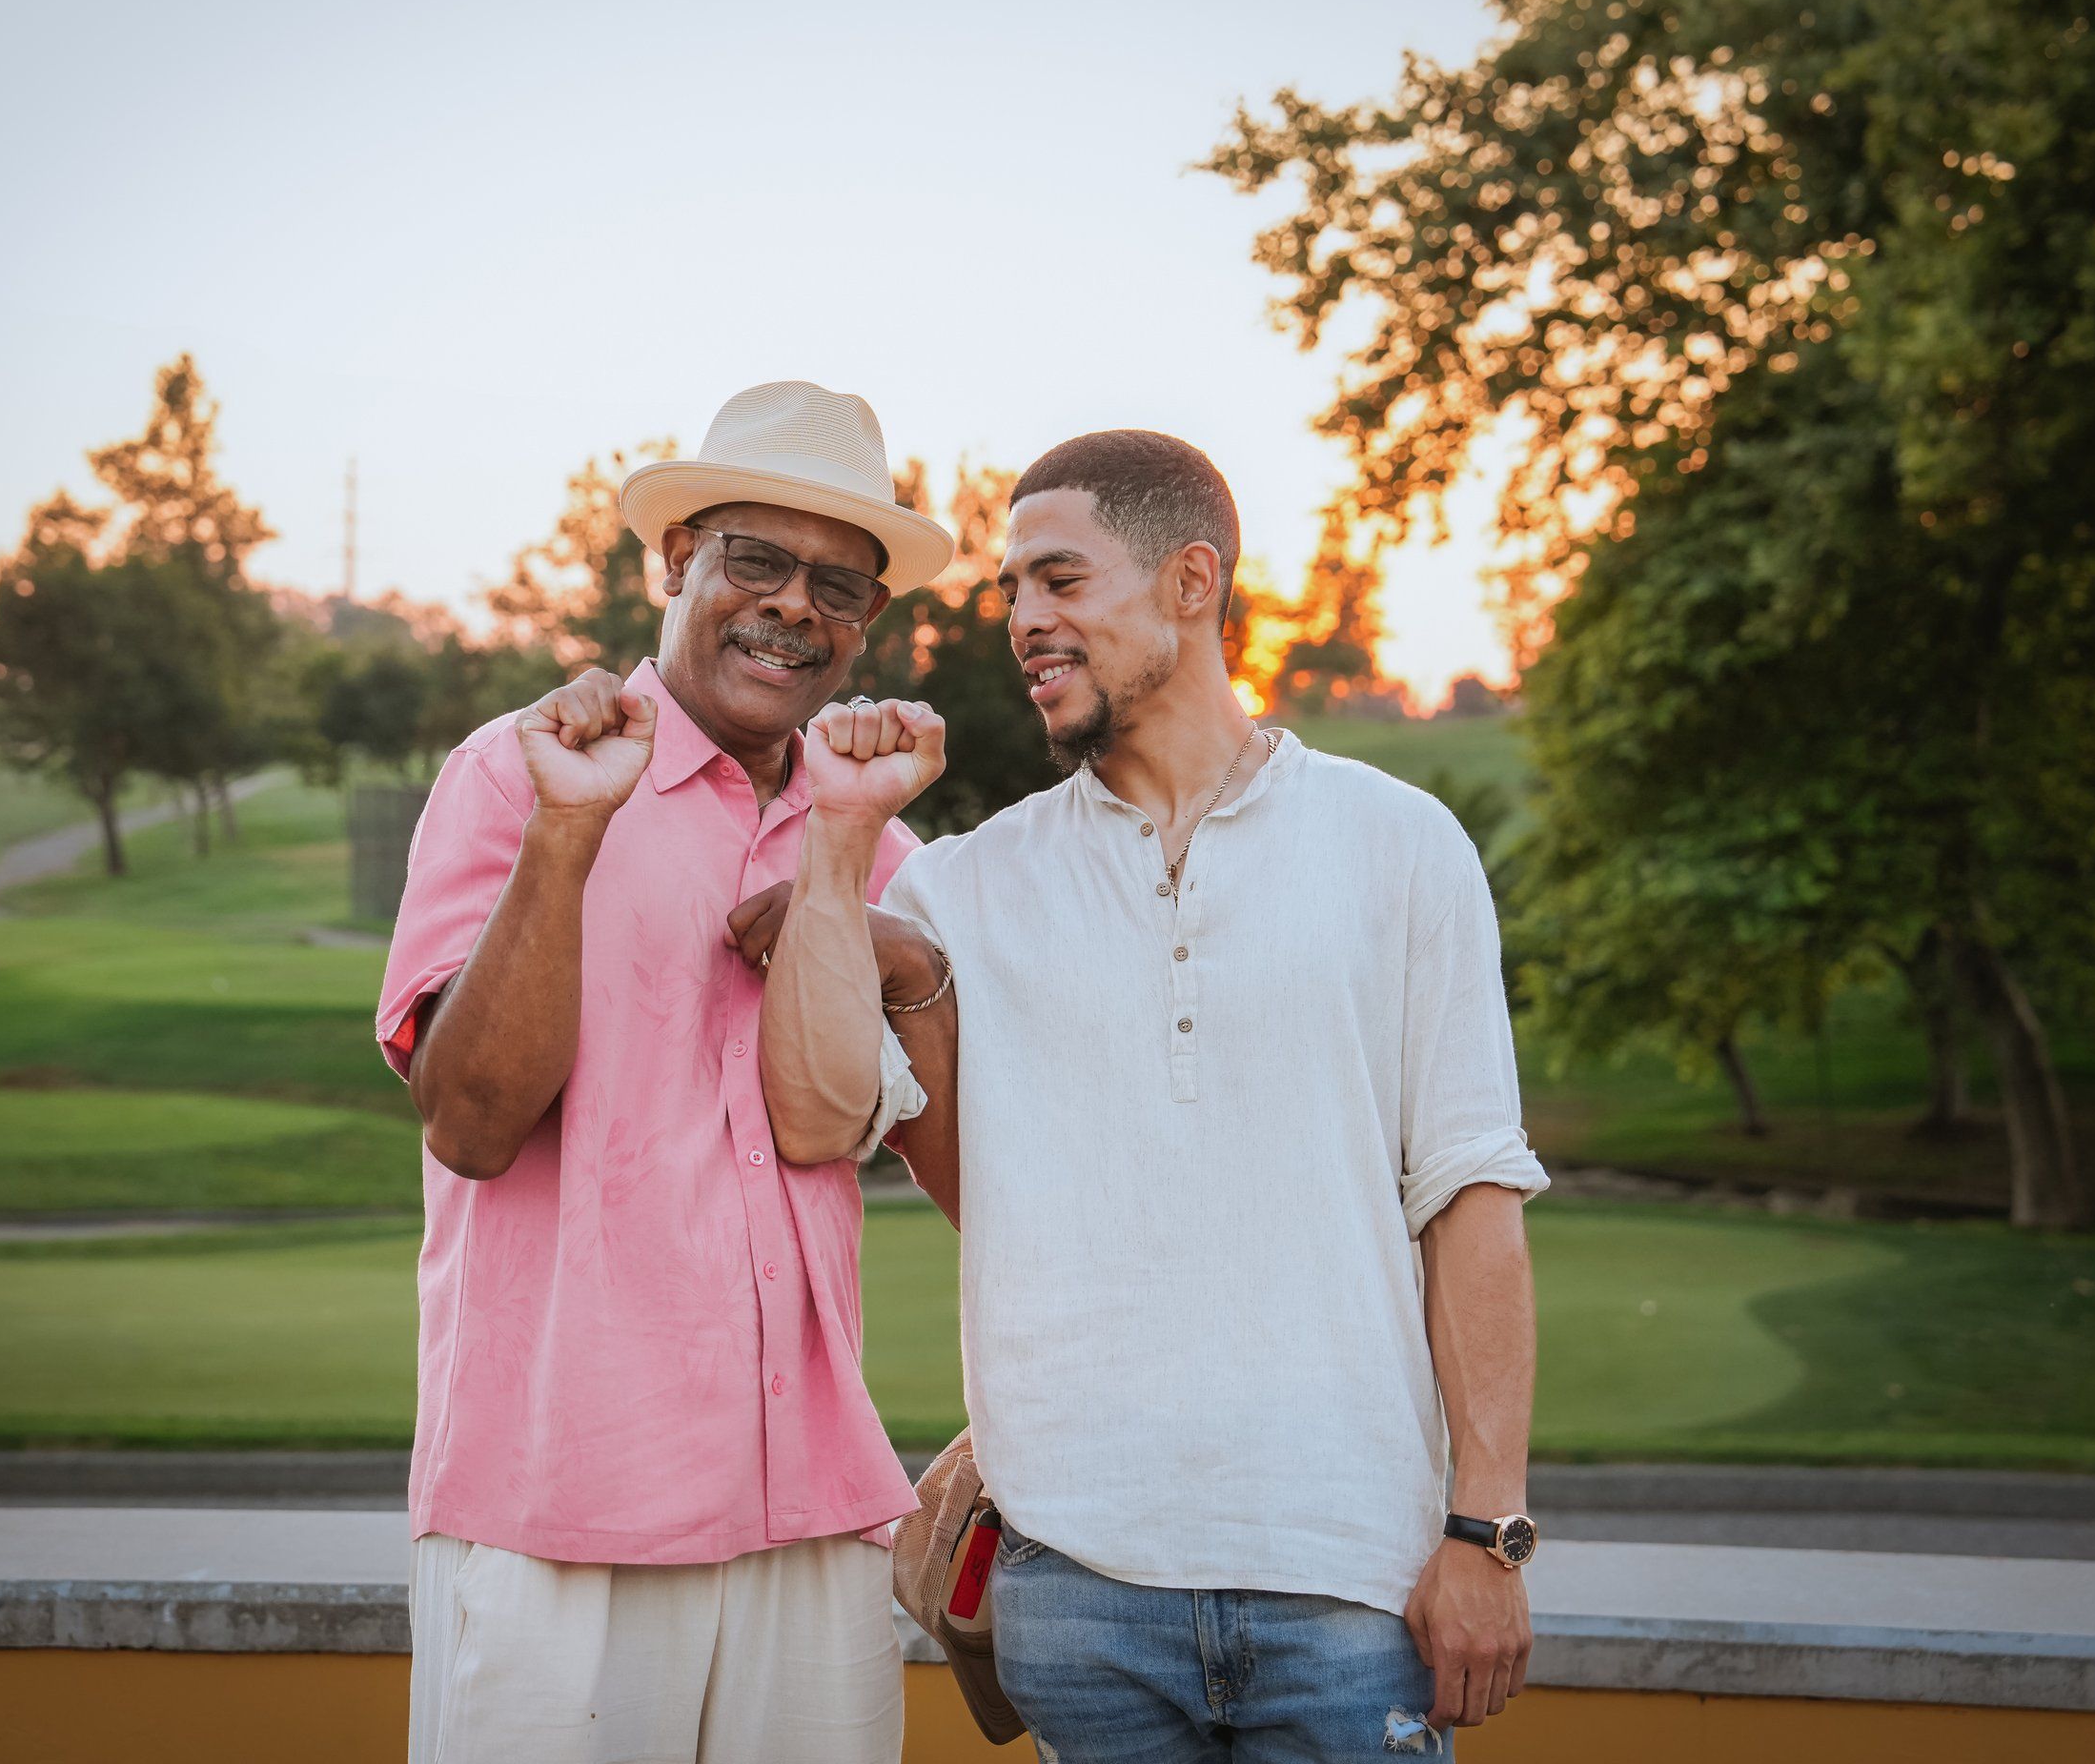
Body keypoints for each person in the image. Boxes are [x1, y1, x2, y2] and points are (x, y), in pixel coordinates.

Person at [760, 428, 1550, 1761]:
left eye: (1060, 582)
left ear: (1193, 581)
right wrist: (840, 853)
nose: (1023, 623)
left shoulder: (1401, 846)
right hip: (1077, 1597)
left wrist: (1488, 1530)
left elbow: (1470, 1194)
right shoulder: (961, 888)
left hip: (1351, 1583)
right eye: (1012, 592)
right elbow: (817, 1118)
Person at [374, 380, 958, 1764]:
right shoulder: (522, 777)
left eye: (841, 587)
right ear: (671, 562)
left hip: (808, 1510)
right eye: (755, 560)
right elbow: (468, 1123)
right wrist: (574, 837)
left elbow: (963, 1171)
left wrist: (894, 951)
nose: (797, 609)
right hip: (559, 1506)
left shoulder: (870, 830)